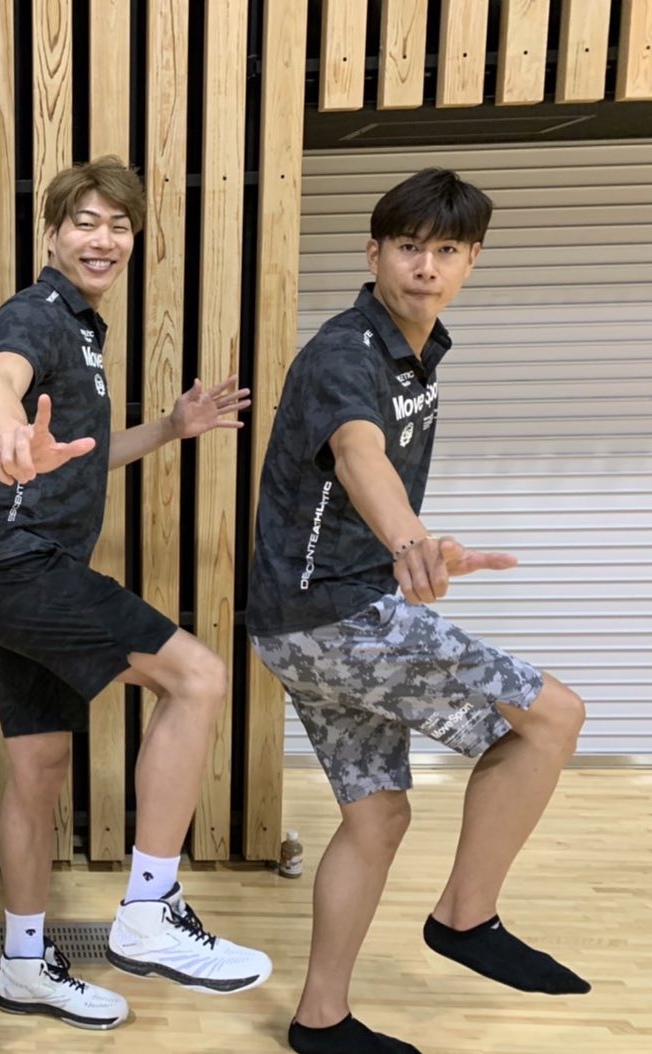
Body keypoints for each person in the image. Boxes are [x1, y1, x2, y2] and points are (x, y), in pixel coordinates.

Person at [245, 167, 590, 1054]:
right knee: (552, 716)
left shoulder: (418, 349)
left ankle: (320, 1022)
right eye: (407, 247)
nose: (424, 267)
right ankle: (465, 917)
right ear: (373, 253)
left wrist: (412, 546)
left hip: (301, 620)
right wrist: (409, 540)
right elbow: (357, 451)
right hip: (335, 616)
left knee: (376, 816)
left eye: (445, 250)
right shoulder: (344, 353)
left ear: (471, 261)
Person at [0, 155, 272, 1030]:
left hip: (2, 569)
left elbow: (84, 459)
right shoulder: (35, 314)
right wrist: (4, 433)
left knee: (38, 766)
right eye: (84, 221)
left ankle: (22, 966)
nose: (103, 238)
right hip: (14, 562)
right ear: (52, 233)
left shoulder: (86, 333)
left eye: (118, 225)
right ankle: (149, 908)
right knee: (197, 677)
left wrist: (170, 427)